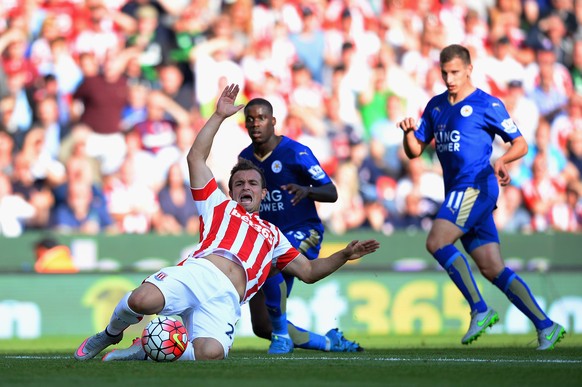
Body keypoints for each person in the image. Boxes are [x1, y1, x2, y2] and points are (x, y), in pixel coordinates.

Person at [73, 84, 379, 362]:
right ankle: (110, 334)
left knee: (211, 354)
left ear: (263, 192)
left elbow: (310, 272)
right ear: (231, 191)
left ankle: (145, 350)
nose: (246, 187)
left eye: (253, 183)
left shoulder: (274, 236)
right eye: (240, 183)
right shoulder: (218, 205)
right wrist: (218, 116)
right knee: (141, 300)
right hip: (199, 273)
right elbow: (195, 158)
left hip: (227, 298)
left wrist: (344, 256)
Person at [397, 44, 565, 350]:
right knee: (492, 268)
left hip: (476, 185)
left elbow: (521, 144)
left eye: (455, 72)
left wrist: (502, 160)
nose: (449, 78)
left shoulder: (487, 104)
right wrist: (408, 132)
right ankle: (547, 325)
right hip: (459, 191)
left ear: (469, 69)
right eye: (445, 72)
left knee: (436, 242)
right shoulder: (435, 106)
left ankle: (480, 309)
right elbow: (415, 151)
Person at [239, 97, 362, 355]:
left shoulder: (296, 153)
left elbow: (331, 192)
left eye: (261, 118)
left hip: (305, 231)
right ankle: (329, 343)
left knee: (272, 260)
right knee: (262, 325)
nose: (255, 124)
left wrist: (306, 191)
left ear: (273, 121)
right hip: (267, 239)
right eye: (250, 119)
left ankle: (283, 337)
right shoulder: (245, 157)